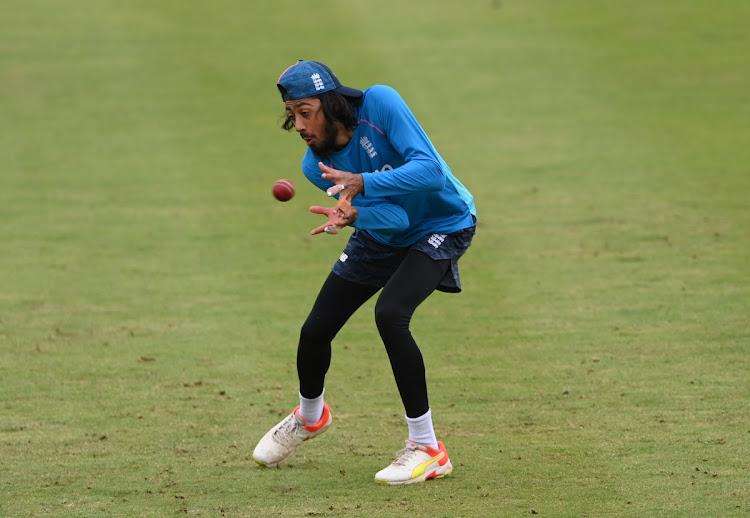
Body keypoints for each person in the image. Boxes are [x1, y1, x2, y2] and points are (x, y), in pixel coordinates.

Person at [252, 60, 477, 485]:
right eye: (291, 115)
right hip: (386, 232)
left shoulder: (381, 102)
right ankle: (310, 417)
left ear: (332, 104)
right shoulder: (314, 166)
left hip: (444, 223)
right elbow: (393, 220)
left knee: (391, 315)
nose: (298, 125)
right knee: (315, 330)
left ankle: (428, 449)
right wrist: (354, 215)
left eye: (305, 111)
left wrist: (363, 183)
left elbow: (430, 172)